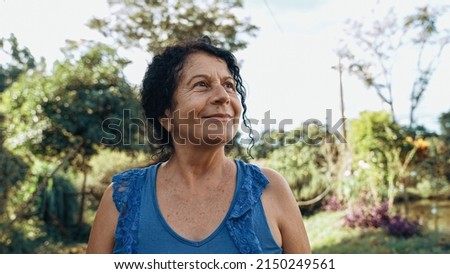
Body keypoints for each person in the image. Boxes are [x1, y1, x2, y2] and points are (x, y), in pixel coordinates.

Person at [86, 37, 311, 254]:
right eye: (202, 84)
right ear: (166, 116)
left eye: (229, 85)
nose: (223, 96)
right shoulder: (120, 199)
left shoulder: (271, 190)